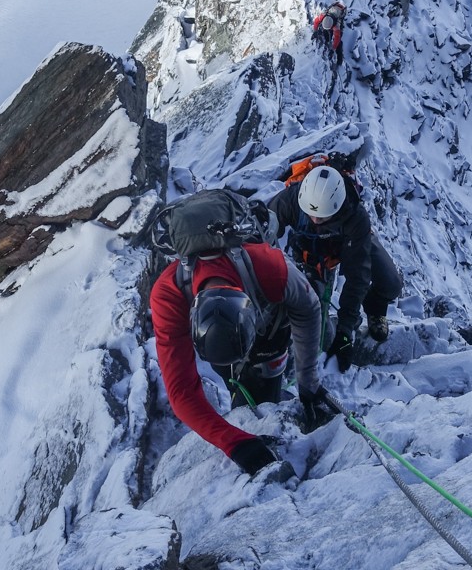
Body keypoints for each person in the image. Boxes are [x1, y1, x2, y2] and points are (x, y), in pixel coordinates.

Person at [148, 190, 336, 476]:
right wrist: (234, 443)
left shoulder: (268, 267)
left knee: (265, 379)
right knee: (237, 378)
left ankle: (266, 395)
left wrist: (308, 383)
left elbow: (308, 308)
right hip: (226, 344)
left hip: (270, 332)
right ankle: (245, 394)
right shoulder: (168, 295)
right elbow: (181, 391)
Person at [268, 162, 404, 371]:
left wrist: (345, 330)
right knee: (312, 320)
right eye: (311, 214)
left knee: (391, 283)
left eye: (321, 217)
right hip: (311, 254)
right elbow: (264, 231)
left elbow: (357, 274)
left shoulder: (356, 216)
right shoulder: (291, 200)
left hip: (352, 243)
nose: (315, 219)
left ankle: (375, 309)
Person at [311, 1, 346, 66]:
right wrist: (315, 31)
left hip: (340, 11)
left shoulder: (336, 26)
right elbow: (316, 22)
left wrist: (333, 49)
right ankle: (327, 40)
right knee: (325, 31)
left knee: (339, 44)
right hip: (334, 10)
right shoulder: (323, 15)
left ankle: (340, 59)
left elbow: (337, 39)